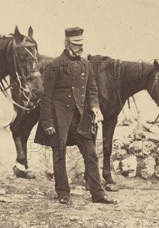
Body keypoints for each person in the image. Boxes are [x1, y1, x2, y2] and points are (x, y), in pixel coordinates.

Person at [35, 27, 115, 205]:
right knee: (59, 155)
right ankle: (63, 192)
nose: (80, 47)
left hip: (81, 121)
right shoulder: (55, 65)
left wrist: (95, 107)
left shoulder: (86, 65)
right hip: (59, 120)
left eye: (81, 44)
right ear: (66, 44)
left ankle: (97, 194)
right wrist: (47, 122)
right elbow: (46, 96)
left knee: (91, 154)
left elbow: (92, 89)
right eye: (75, 44)